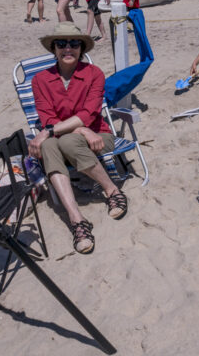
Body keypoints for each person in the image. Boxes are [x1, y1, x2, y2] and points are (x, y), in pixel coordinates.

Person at [28, 22, 129, 255]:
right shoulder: (40, 80)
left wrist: (75, 129)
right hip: (74, 134)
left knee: (61, 140)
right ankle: (77, 219)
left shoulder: (94, 74)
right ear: (54, 48)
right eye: (61, 44)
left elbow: (89, 113)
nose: (68, 49)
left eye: (74, 43)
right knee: (53, 145)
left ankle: (112, 190)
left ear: (81, 48)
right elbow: (48, 118)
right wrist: (79, 129)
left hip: (98, 134)